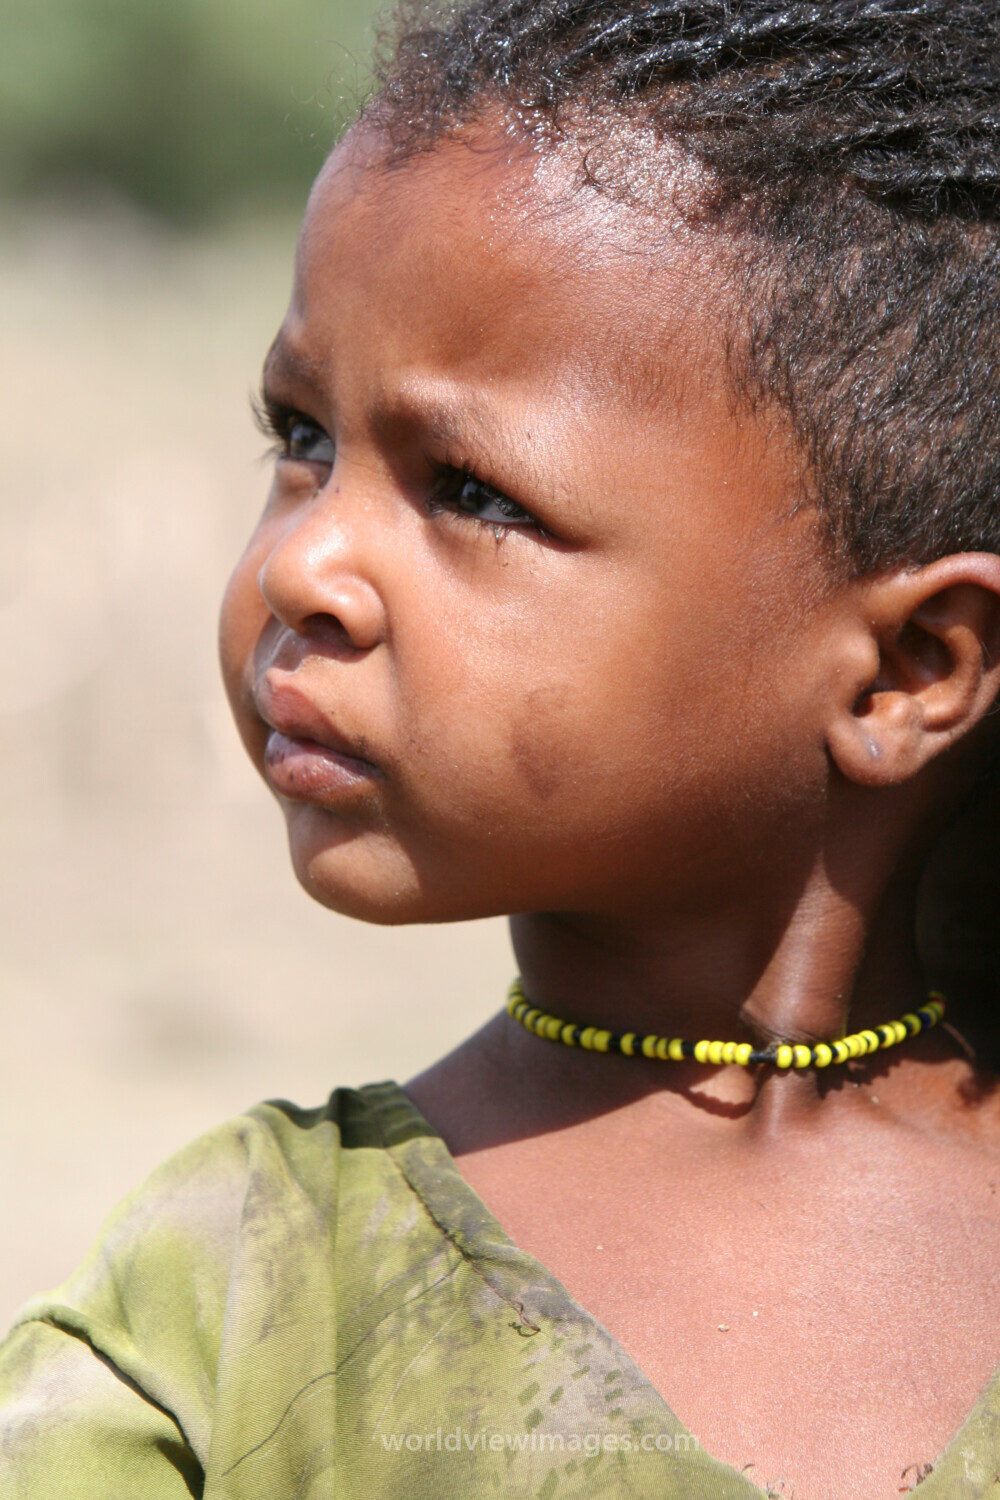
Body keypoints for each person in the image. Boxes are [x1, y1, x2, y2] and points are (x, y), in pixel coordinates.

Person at [4, 1, 1000, 1495]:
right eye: (301, 436)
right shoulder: (234, 1305)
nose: (303, 567)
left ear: (910, 672)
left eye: (471, 492)